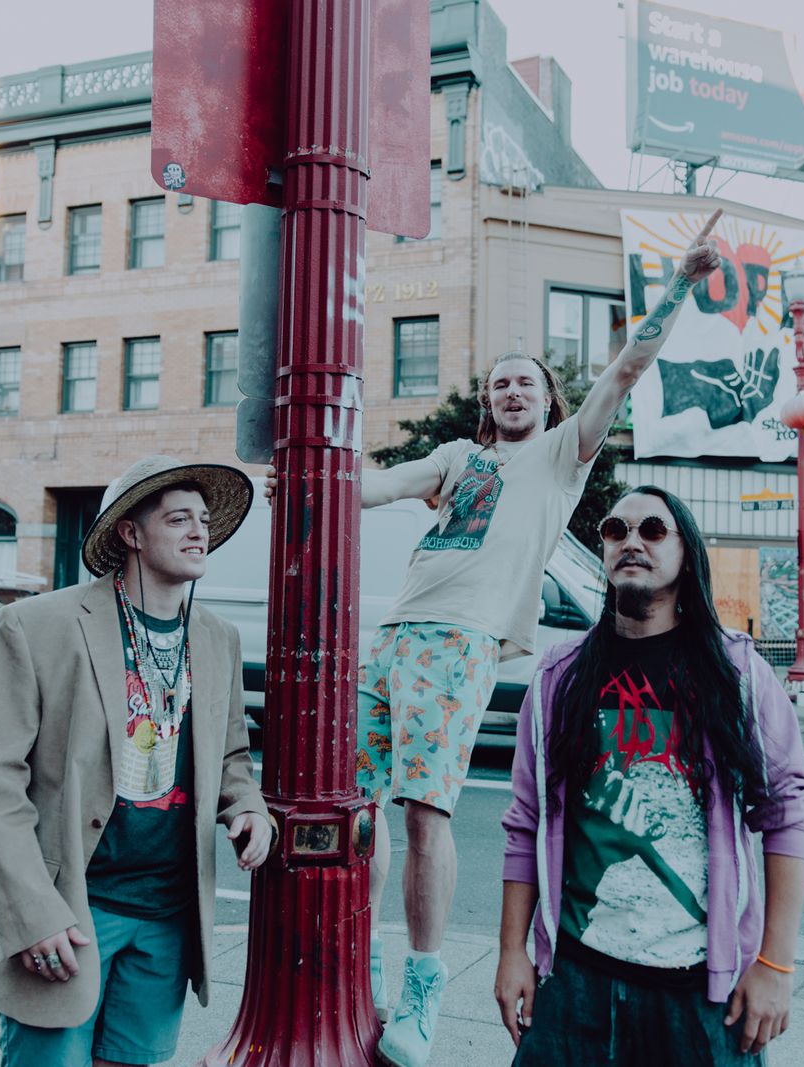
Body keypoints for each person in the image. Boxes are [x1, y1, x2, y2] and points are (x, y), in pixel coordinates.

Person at [263, 214, 726, 1067]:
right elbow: (370, 487)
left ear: (548, 401)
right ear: (487, 402)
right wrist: (301, 473)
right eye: (499, 384)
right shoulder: (455, 458)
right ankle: (364, 956)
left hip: (460, 640)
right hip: (391, 636)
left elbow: (627, 368)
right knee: (357, 807)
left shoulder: (561, 455)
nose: (512, 391)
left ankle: (425, 981)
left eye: (526, 382)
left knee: (425, 810)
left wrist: (678, 286)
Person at [0, 456, 275, 1067]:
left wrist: (248, 805)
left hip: (168, 916)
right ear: (130, 533)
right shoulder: (36, 626)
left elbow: (232, 754)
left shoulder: (217, 637)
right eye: (178, 519)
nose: (199, 531)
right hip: (71, 909)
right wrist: (31, 915)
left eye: (204, 520)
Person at [495, 487, 804, 1064]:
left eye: (653, 530)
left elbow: (786, 812)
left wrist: (775, 964)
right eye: (615, 530)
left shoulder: (736, 672)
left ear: (687, 554)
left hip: (702, 994)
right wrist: (512, 951)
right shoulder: (559, 677)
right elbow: (526, 822)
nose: (631, 541)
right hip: (573, 983)